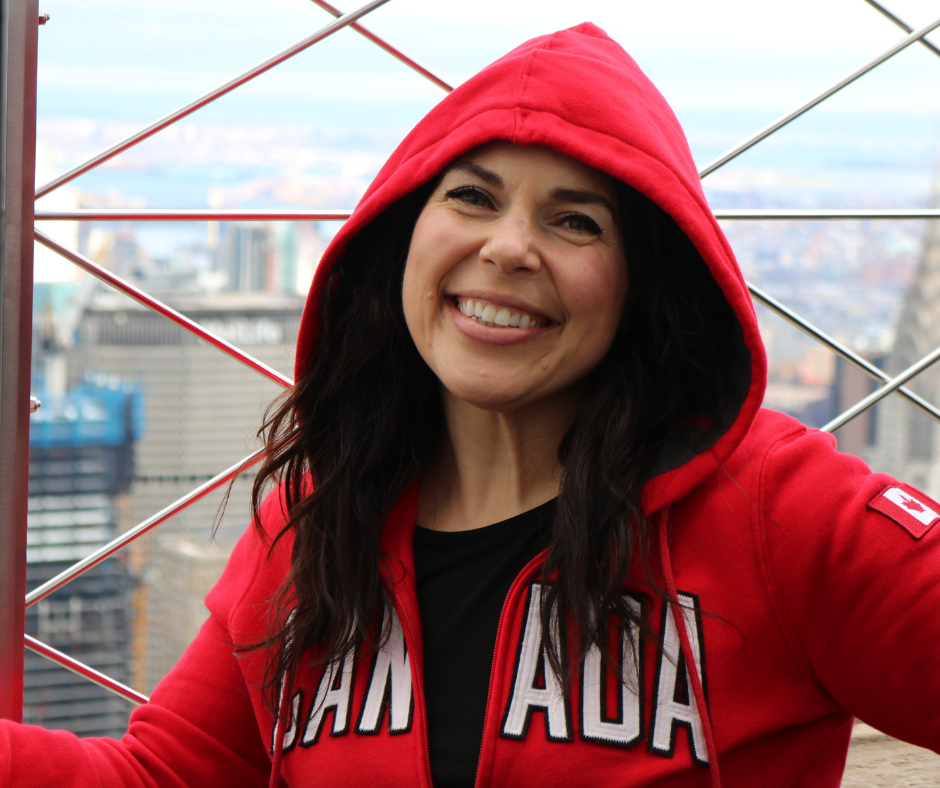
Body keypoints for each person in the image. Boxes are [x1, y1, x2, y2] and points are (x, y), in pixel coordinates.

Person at [4, 21, 940, 788]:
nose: (508, 247)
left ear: (643, 283)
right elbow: (169, 777)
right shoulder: (316, 523)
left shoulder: (782, 514)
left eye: (575, 220)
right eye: (472, 197)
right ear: (402, 239)